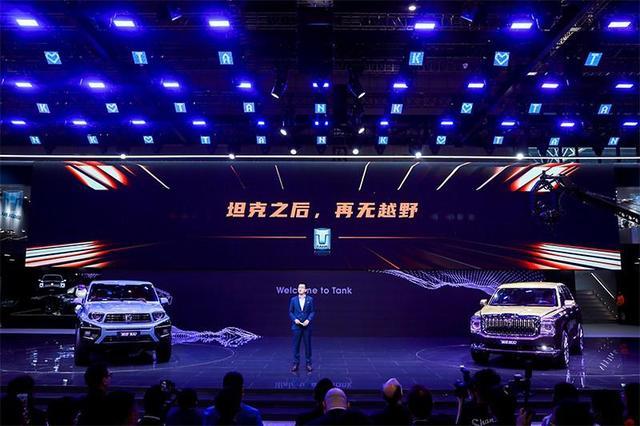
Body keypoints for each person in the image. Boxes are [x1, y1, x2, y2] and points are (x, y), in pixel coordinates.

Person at [290, 283, 315, 372]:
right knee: (296, 345)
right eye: (299, 287)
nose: (300, 289)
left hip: (306, 326)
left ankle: (308, 363)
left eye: (302, 287)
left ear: (306, 290)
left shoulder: (310, 299)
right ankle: (296, 363)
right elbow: (290, 312)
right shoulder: (293, 299)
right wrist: (295, 319)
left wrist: (308, 320)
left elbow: (312, 311)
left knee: (308, 345)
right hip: (296, 326)